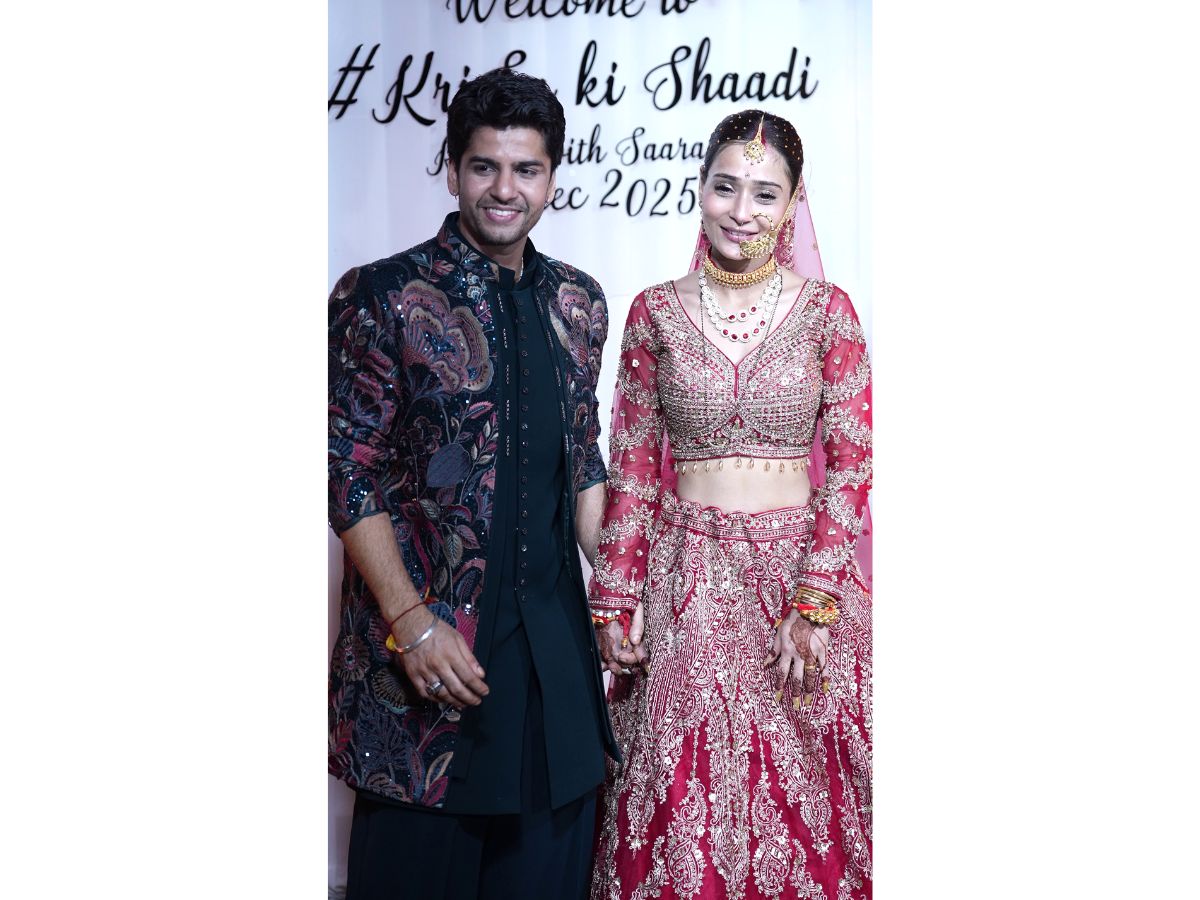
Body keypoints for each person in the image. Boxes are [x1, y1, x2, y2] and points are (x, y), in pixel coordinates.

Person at [328, 67, 617, 900]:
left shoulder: (578, 302)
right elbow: (346, 470)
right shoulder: (383, 295)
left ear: (552, 178)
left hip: (554, 688)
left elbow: (583, 462)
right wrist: (412, 625)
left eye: (526, 169)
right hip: (426, 684)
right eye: (485, 166)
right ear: (453, 168)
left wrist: (622, 590)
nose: (504, 189)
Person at [587, 110, 873, 899]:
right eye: (725, 187)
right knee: (681, 796)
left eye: (764, 193)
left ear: (793, 204)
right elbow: (634, 469)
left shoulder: (828, 312)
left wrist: (813, 604)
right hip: (687, 581)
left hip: (799, 581)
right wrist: (613, 601)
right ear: (701, 188)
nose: (741, 211)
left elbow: (852, 465)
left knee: (814, 799)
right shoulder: (654, 312)